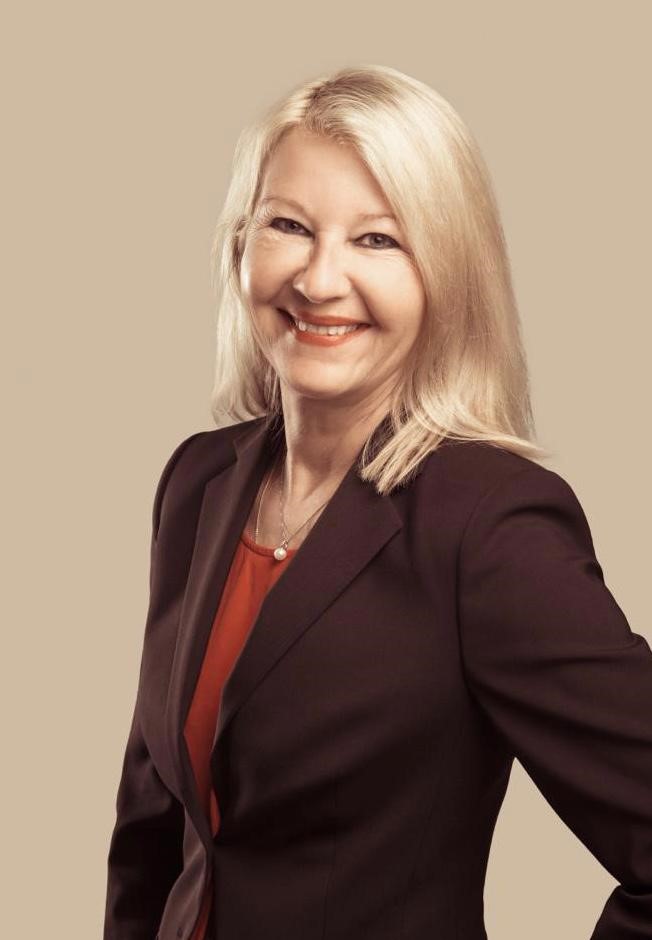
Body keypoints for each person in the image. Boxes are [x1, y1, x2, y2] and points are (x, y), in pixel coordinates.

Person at [103, 64, 652, 940]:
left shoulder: (489, 526)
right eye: (289, 226)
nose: (320, 280)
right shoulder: (198, 483)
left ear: (447, 273)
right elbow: (151, 838)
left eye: (377, 240)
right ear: (241, 245)